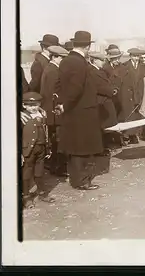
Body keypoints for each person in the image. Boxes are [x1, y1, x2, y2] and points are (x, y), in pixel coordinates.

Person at [55, 30, 104, 191]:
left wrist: (63, 104)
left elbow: (60, 85)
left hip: (74, 110)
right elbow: (76, 88)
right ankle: (82, 181)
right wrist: (66, 104)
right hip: (83, 111)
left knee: (75, 147)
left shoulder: (66, 61)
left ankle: (77, 179)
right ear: (88, 46)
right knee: (84, 148)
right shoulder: (79, 62)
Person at [21, 92, 55, 209]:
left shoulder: (42, 115)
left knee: (39, 172)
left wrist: (48, 148)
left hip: (41, 149)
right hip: (28, 151)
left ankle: (42, 193)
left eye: (35, 104)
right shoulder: (22, 118)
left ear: (39, 104)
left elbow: (46, 133)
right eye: (29, 105)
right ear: (24, 106)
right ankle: (25, 196)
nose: (33, 107)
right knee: (26, 173)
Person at [88, 51, 119, 174]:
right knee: (100, 125)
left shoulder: (99, 71)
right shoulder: (91, 71)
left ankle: (102, 147)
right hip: (99, 101)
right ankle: (99, 149)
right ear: (94, 60)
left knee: (104, 125)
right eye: (101, 60)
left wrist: (112, 89)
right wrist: (111, 91)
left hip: (104, 100)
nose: (103, 62)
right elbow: (97, 87)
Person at [40, 45, 69, 177]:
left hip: (52, 111)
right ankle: (58, 168)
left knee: (55, 140)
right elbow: (54, 94)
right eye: (62, 58)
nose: (63, 60)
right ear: (55, 57)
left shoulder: (50, 68)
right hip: (56, 112)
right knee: (58, 140)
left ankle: (55, 165)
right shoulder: (53, 71)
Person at [118, 47, 145, 145]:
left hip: (139, 94)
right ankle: (129, 135)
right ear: (130, 56)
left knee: (137, 115)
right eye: (134, 56)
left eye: (137, 56)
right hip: (128, 94)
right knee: (129, 115)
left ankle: (135, 134)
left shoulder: (143, 66)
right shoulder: (125, 66)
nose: (136, 58)